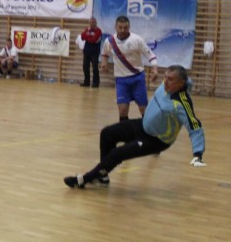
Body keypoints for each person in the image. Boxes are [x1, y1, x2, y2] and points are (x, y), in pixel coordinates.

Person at [63, 65, 206, 188]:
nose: (165, 82)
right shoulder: (169, 85)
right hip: (142, 125)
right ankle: (102, 177)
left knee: (117, 154)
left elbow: (195, 128)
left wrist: (197, 154)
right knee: (107, 133)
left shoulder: (182, 104)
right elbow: (187, 81)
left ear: (181, 83)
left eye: (170, 79)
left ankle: (84, 179)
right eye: (165, 77)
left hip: (156, 140)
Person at [101, 15, 158, 120]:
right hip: (121, 80)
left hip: (138, 78)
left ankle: (146, 130)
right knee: (122, 110)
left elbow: (150, 55)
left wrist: (154, 69)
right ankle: (124, 131)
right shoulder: (109, 41)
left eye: (125, 27)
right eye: (120, 27)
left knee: (144, 109)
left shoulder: (137, 40)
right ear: (115, 27)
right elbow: (105, 53)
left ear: (129, 27)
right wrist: (104, 63)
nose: (123, 30)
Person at [79, 17, 102, 87]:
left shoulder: (98, 31)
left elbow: (94, 40)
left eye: (93, 22)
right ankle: (86, 82)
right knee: (85, 67)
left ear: (96, 23)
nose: (91, 24)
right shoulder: (87, 29)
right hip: (86, 51)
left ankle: (96, 83)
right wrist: (89, 36)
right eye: (90, 22)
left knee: (95, 68)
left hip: (95, 52)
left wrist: (87, 36)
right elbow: (82, 37)